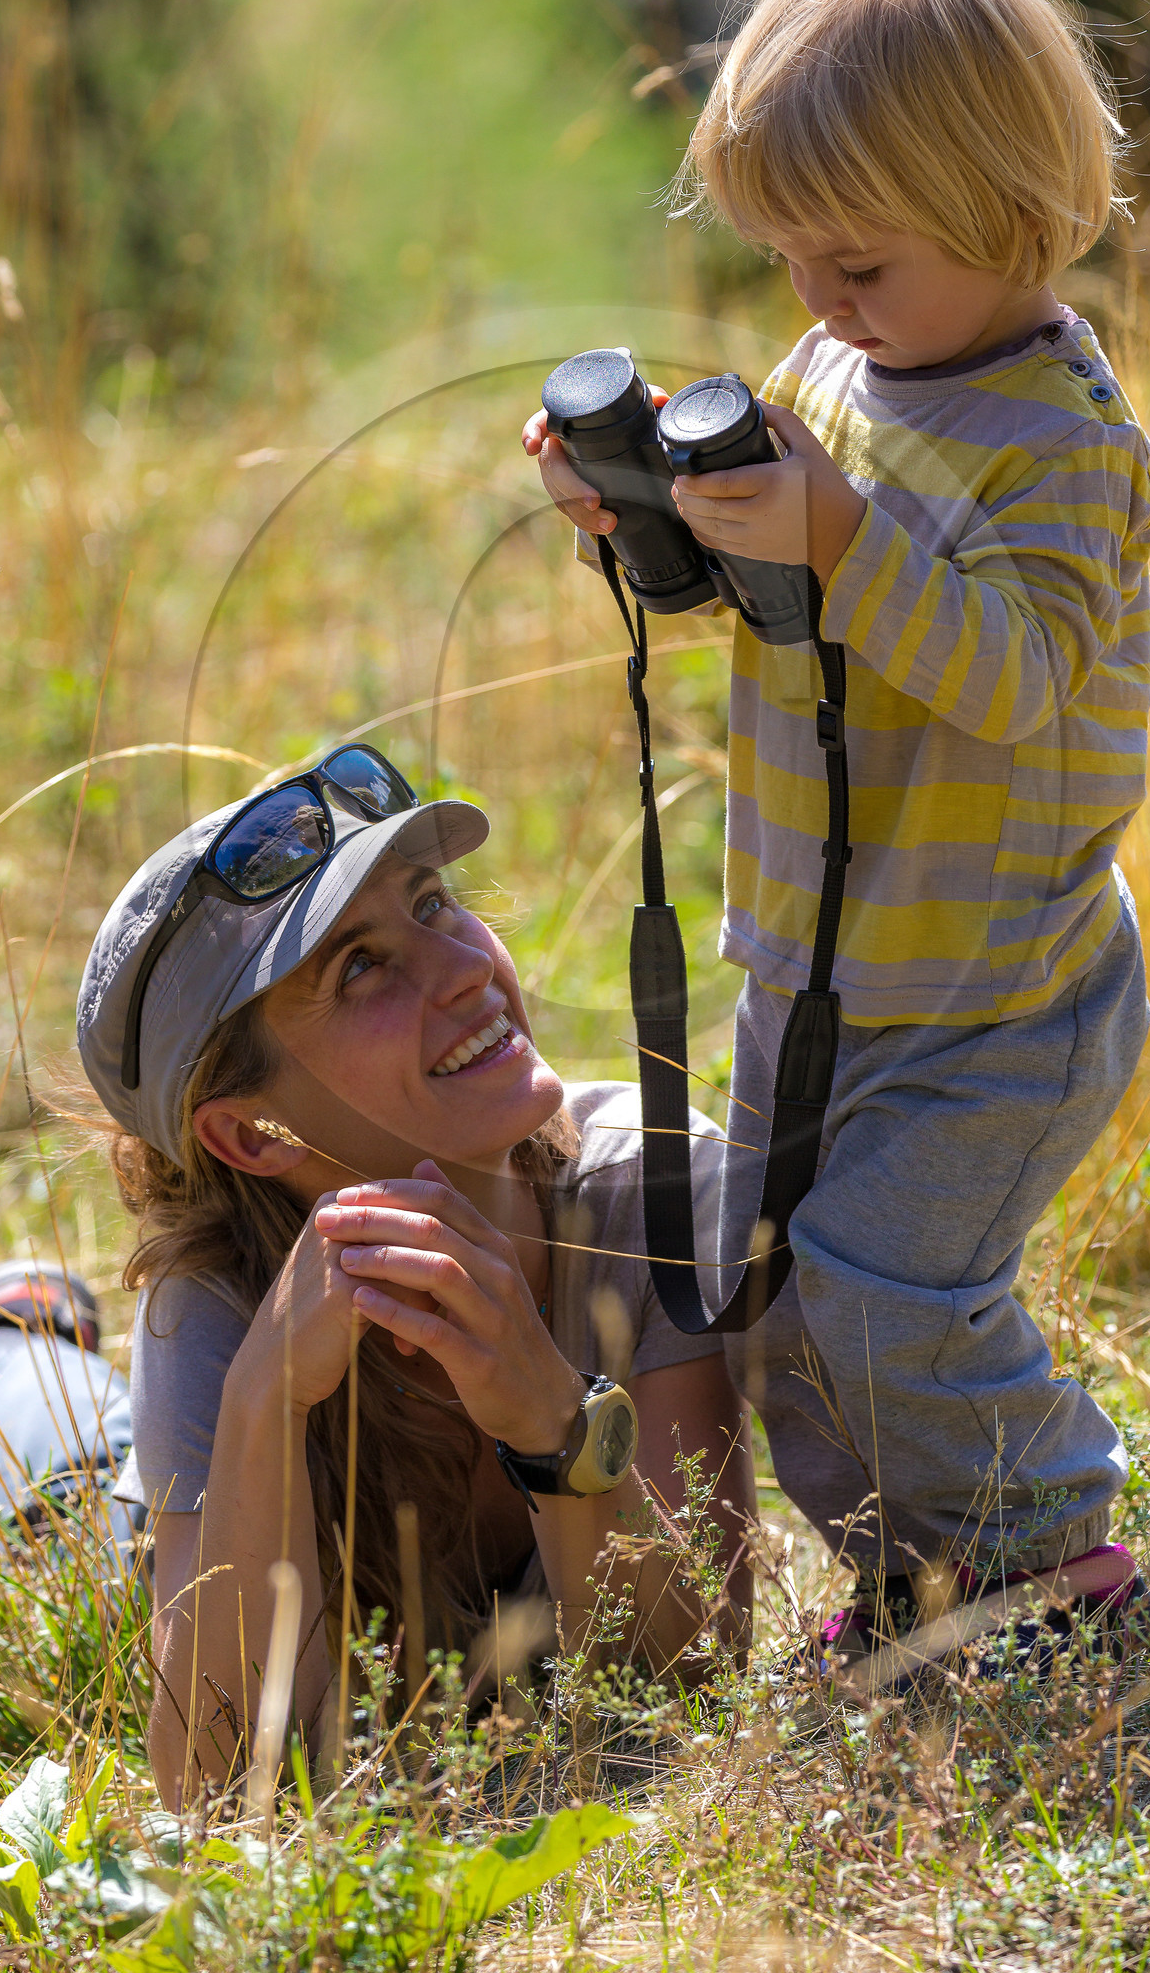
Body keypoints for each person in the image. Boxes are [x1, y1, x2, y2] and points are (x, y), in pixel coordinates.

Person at [523, 0, 1150, 1664]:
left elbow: (1013, 682)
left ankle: (1056, 1555)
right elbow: (806, 615)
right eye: (791, 254)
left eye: (858, 262)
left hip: (992, 997)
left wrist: (839, 530)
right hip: (810, 965)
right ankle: (919, 1569)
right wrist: (667, 519)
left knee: (887, 1296)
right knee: (781, 1302)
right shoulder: (839, 379)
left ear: (1011, 208)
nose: (817, 300)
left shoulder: (1066, 446)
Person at [74, 742, 752, 1809]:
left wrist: (552, 1418)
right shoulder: (214, 1307)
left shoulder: (651, 1189)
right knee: (42, 1450)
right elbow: (212, 1789)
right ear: (251, 1133)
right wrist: (262, 1400)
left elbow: (692, 1676)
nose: (466, 967)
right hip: (109, 1482)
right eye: (360, 966)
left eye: (432, 905)